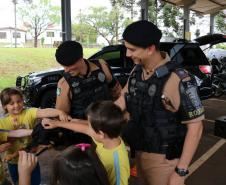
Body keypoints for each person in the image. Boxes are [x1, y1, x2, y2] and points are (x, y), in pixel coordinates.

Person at [114, 20, 204, 185]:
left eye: (132, 49)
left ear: (150, 49)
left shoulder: (180, 78)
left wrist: (181, 171)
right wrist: (104, 115)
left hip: (164, 162)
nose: (127, 54)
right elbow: (123, 98)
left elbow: (196, 128)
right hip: (138, 152)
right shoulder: (137, 71)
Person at [42, 101, 130, 185]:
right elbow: (85, 129)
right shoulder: (108, 137)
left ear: (101, 133)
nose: (87, 127)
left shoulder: (118, 164)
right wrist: (56, 123)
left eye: (89, 125)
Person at [0, 87, 69, 185]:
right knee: (18, 182)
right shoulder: (2, 124)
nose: (16, 105)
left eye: (19, 101)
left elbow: (44, 111)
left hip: (31, 157)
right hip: (14, 162)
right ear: (4, 106)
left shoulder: (28, 112)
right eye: (11, 104)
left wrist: (59, 112)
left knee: (36, 181)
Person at [55, 41, 122, 119]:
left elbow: (117, 91)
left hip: (108, 122)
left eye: (69, 65)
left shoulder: (102, 66)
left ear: (81, 57)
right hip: (82, 127)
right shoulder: (64, 84)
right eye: (64, 66)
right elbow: (62, 115)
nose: (66, 70)